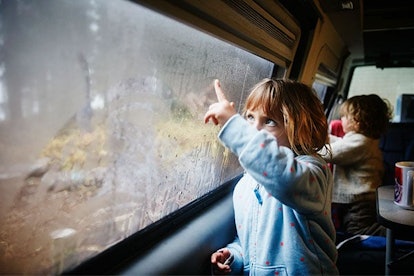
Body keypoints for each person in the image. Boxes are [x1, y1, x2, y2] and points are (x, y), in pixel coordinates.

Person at [204, 78, 338, 275]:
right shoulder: (245, 185)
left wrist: (234, 126)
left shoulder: (312, 172)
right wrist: (234, 256)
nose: (254, 129)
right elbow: (251, 240)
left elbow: (285, 179)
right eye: (249, 118)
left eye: (269, 121)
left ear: (300, 128)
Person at [320, 94, 392, 236]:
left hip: (360, 202)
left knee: (358, 230)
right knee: (353, 227)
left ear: (357, 121)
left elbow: (330, 153)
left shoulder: (361, 143)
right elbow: (339, 143)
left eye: (345, 117)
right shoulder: (361, 140)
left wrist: (306, 148)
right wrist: (322, 138)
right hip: (360, 199)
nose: (341, 120)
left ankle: (396, 234)